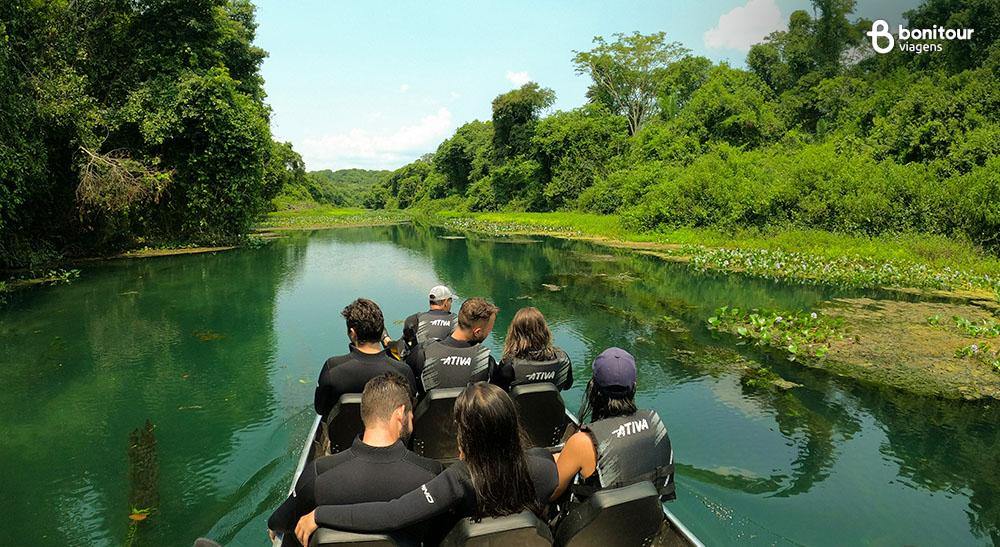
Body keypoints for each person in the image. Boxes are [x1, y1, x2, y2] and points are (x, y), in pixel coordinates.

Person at [294, 383, 558, 546]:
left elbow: (392, 514)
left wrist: (320, 514)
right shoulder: (546, 468)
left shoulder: (456, 480)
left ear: (466, 434)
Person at [268, 373, 443, 545]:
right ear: (400, 413)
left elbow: (279, 522)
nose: (412, 417)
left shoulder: (319, 473)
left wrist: (275, 523)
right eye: (411, 411)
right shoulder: (431, 475)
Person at [551, 347, 674, 503]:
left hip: (597, 526)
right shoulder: (656, 424)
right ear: (633, 387)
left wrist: (558, 460)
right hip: (647, 520)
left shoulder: (583, 442)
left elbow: (552, 494)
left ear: (593, 389)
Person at [314, 298, 417, 421]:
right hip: (387, 439)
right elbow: (410, 408)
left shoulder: (333, 368)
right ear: (381, 331)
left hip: (344, 437)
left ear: (352, 333)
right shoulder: (403, 371)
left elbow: (321, 409)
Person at [405, 298, 498, 395]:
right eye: (489, 329)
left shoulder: (423, 352)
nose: (489, 332)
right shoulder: (486, 362)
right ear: (477, 332)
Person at [492, 306, 573, 392]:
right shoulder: (562, 358)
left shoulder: (509, 364)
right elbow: (567, 386)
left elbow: (499, 392)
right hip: (551, 405)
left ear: (515, 332)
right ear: (544, 330)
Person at [383, 285, 458, 351]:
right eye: (450, 301)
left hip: (419, 363)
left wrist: (386, 339)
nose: (451, 304)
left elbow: (404, 343)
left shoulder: (414, 319)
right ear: (446, 302)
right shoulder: (456, 320)